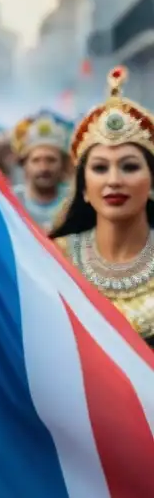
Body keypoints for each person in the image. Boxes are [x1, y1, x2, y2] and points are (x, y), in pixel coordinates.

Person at [50, 67, 154, 349]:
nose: (114, 180)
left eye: (130, 167)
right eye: (99, 168)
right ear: (84, 187)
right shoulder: (54, 261)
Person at [10, 109, 72, 231]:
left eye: (51, 160)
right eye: (36, 160)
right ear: (25, 165)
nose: (44, 168)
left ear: (63, 164)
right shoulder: (12, 202)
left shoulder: (74, 203)